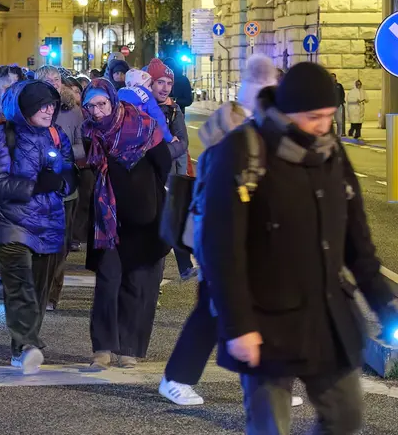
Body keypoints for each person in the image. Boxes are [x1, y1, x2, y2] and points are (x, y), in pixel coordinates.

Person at [201, 61, 398, 434]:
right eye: (313, 117)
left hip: (327, 315)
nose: (324, 126)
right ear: (287, 111)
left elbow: (358, 241)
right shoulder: (244, 150)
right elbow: (221, 248)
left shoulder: (331, 150)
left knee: (346, 418)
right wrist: (239, 325)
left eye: (329, 115)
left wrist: (386, 305)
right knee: (270, 427)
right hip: (265, 321)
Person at [158, 54, 279, 407]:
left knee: (250, 310)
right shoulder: (236, 134)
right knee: (212, 311)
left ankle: (265, 382)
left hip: (243, 239)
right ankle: (176, 378)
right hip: (222, 240)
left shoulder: (251, 129)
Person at [0, 80, 75, 372]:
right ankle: (26, 345)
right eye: (41, 106)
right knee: (20, 285)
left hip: (48, 223)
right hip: (9, 223)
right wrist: (34, 186)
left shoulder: (56, 134)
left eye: (52, 105)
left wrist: (62, 182)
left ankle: (22, 344)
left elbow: (68, 171)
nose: (48, 111)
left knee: (38, 291)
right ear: (24, 108)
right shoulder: (3, 135)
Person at [82, 78, 171, 370]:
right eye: (91, 106)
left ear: (113, 101)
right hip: (107, 219)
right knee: (107, 282)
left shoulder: (143, 126)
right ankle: (103, 348)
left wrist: (143, 192)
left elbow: (163, 163)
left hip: (144, 217)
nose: (97, 112)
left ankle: (129, 348)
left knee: (137, 283)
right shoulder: (90, 132)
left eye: (102, 104)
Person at [35, 67, 83, 310]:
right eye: (47, 80)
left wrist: (63, 153)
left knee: (60, 244)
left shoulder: (72, 110)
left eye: (56, 79)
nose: (53, 83)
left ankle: (52, 294)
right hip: (37, 188)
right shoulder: (28, 109)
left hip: (65, 185)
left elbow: (82, 145)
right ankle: (38, 290)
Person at [145, 59, 193, 279]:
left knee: (170, 220)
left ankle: (173, 270)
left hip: (168, 175)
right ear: (150, 83)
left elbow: (183, 142)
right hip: (145, 178)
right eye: (160, 82)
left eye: (169, 83)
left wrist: (162, 153)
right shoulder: (138, 108)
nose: (165, 88)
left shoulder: (174, 110)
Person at [118, 69, 176, 144]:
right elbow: (159, 118)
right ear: (139, 84)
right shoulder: (146, 95)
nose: (150, 89)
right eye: (148, 86)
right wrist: (169, 138)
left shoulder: (120, 93)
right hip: (140, 136)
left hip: (121, 136)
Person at [331, 72, 346, 137]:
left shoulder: (339, 86)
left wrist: (341, 102)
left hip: (338, 106)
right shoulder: (326, 85)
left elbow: (342, 94)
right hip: (330, 107)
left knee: (339, 121)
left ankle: (339, 135)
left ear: (335, 78)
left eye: (333, 77)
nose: (332, 78)